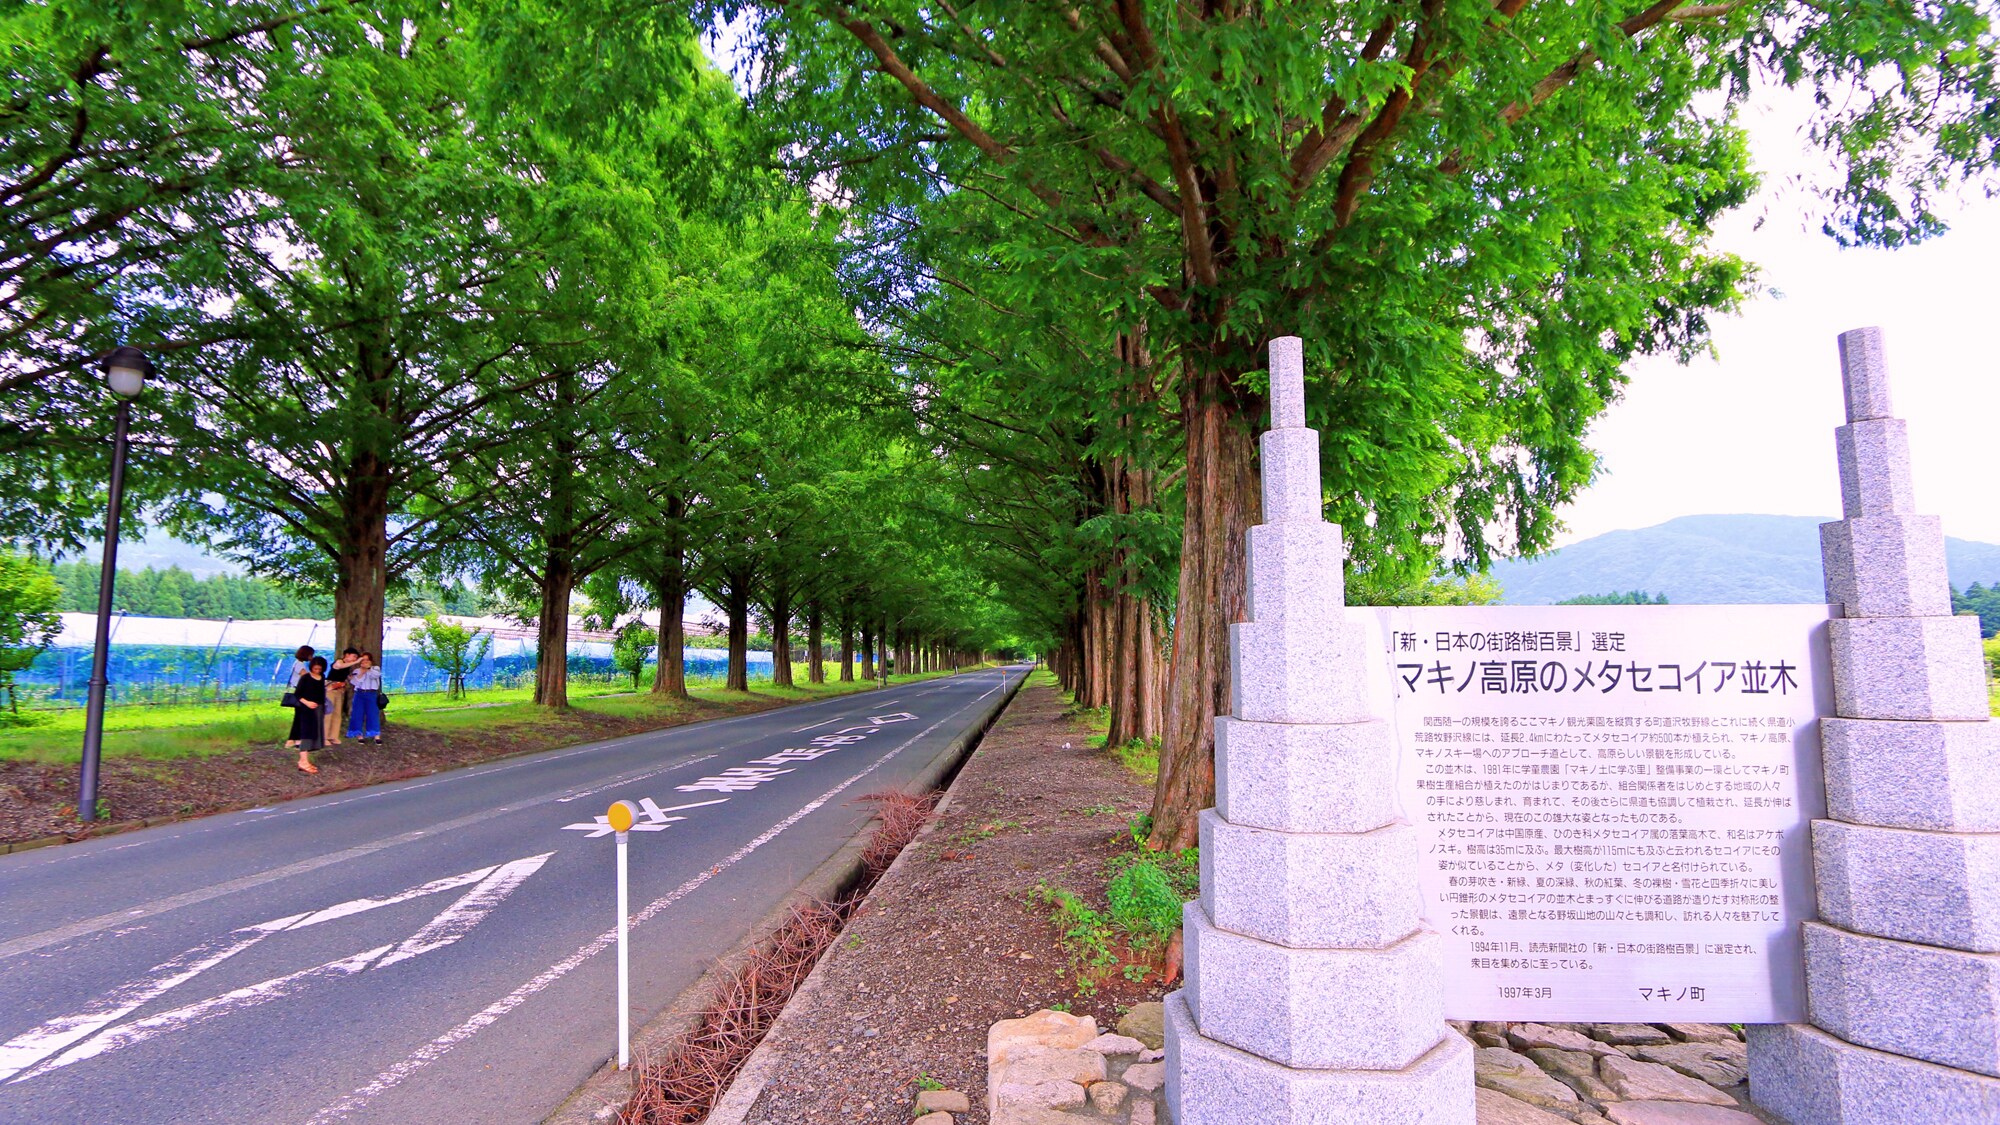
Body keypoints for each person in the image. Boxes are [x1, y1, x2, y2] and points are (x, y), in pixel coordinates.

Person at [289, 656, 328, 773]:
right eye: (315, 669)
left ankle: (305, 760)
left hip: (319, 709)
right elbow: (298, 694)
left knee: (314, 734)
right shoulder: (305, 677)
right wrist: (307, 703)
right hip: (306, 709)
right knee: (306, 734)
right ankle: (303, 761)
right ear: (311, 667)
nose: (317, 671)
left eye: (319, 669)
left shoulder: (322, 678)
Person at [325, 647, 360, 746]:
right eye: (354, 656)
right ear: (347, 655)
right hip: (330, 689)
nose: (354, 659)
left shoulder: (347, 667)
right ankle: (324, 736)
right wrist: (356, 662)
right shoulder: (339, 662)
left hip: (339, 690)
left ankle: (333, 736)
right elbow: (339, 666)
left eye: (356, 657)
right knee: (328, 713)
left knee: (337, 714)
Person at [347, 652, 383, 745]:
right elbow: (355, 682)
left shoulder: (375, 668)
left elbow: (376, 676)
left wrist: (368, 669)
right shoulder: (357, 670)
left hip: (371, 693)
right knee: (357, 714)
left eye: (367, 660)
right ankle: (359, 734)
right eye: (363, 660)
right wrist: (362, 672)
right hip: (359, 694)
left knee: (373, 714)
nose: (365, 662)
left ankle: (375, 735)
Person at [284, 645, 316, 751]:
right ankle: (295, 740)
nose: (312, 656)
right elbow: (305, 676)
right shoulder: (299, 664)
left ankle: (293, 739)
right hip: (299, 692)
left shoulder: (298, 663)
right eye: (311, 654)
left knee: (299, 717)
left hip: (298, 691)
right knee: (300, 717)